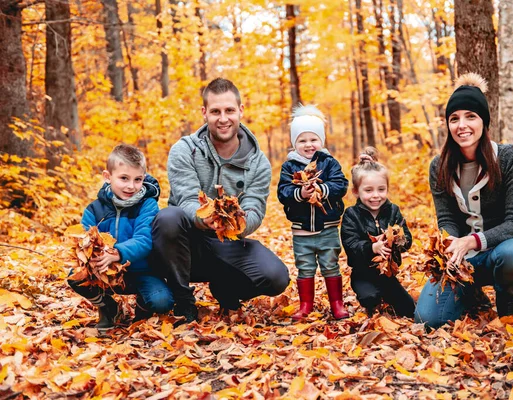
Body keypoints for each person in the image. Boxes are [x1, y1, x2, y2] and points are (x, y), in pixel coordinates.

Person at [151, 78, 290, 323]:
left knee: (276, 276)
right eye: (215, 111)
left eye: (229, 110)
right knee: (168, 217)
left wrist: (235, 223)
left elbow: (256, 209)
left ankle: (226, 288)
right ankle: (183, 302)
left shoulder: (259, 163)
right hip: (187, 242)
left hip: (230, 242)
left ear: (241, 111)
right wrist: (208, 219)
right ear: (204, 113)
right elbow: (185, 200)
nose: (223, 118)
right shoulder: (184, 150)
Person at [414, 73, 513, 328]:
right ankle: (470, 291)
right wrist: (450, 245)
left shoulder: (510, 158)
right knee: (429, 320)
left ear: (484, 121)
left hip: (500, 252)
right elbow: (446, 218)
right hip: (463, 259)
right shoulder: (439, 166)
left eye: (471, 116)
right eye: (454, 119)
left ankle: (505, 301)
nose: (462, 125)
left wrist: (471, 241)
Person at [67, 144, 174, 330]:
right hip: (106, 271)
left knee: (162, 301)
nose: (131, 186)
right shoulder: (94, 209)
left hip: (143, 271)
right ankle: (108, 307)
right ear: (108, 177)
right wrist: (94, 258)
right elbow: (85, 241)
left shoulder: (147, 205)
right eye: (124, 178)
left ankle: (143, 308)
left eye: (138, 179)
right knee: (75, 277)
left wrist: (118, 253)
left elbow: (144, 239)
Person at [277, 105, 349, 320]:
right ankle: (305, 304)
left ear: (322, 140)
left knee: (330, 265)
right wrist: (300, 193)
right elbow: (283, 192)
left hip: (327, 228)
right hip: (302, 231)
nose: (308, 145)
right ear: (294, 143)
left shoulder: (329, 163)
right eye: (302, 140)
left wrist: (322, 190)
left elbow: (341, 185)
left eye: (313, 139)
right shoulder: (289, 167)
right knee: (305, 267)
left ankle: (337, 303)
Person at [341, 147, 415, 317]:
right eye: (368, 190)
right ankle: (371, 299)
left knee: (408, 309)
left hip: (387, 273)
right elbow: (350, 244)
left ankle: (390, 295)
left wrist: (399, 240)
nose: (376, 196)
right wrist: (372, 248)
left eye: (381, 189)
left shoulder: (393, 211)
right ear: (356, 192)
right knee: (370, 298)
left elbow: (408, 238)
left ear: (387, 189)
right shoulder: (352, 215)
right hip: (362, 273)